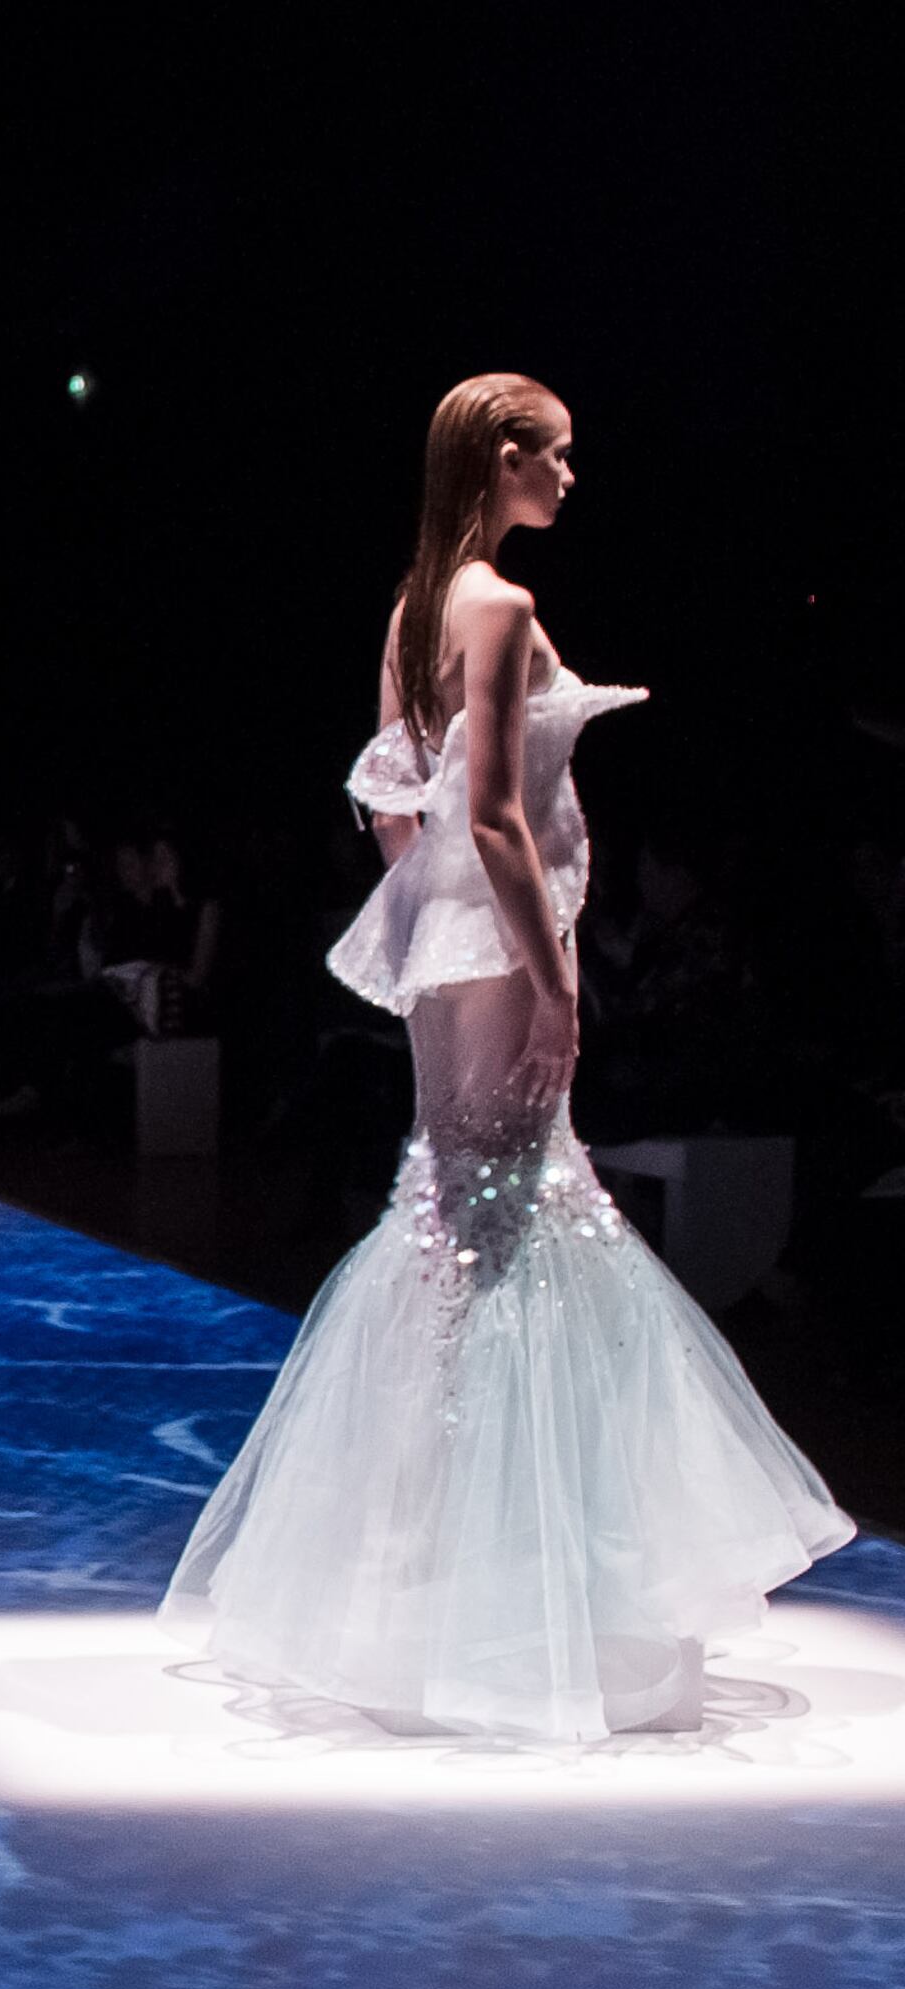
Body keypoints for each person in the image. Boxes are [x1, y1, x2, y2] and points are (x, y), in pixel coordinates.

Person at [163, 373, 846, 1738]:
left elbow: (389, 805)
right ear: (505, 457)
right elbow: (487, 811)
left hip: (445, 954)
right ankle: (508, 1600)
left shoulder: (419, 607)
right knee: (506, 1235)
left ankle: (421, 1584)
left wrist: (435, 935)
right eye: (561, 456)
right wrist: (551, 983)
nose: (573, 478)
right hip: (499, 952)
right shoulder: (502, 607)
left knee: (459, 1228)